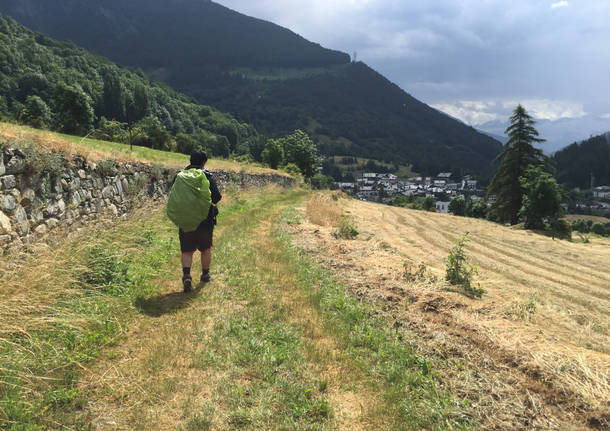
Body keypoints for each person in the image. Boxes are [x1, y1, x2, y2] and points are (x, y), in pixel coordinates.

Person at [177, 150, 222, 292]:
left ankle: (186, 276)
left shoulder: (180, 176)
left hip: (186, 219)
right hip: (205, 219)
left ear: (190, 160)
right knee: (206, 248)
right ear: (204, 162)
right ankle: (205, 275)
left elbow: (174, 195)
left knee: (187, 250)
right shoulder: (208, 176)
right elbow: (216, 197)